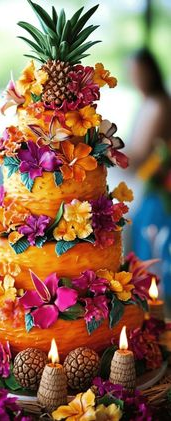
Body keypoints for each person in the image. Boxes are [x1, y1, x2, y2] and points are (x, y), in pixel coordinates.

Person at [128, 48, 171, 311]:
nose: (136, 79)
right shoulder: (150, 102)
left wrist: (102, 147)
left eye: (139, 73)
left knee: (153, 255)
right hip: (150, 187)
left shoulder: (158, 104)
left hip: (159, 191)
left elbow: (141, 155)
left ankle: (155, 321)